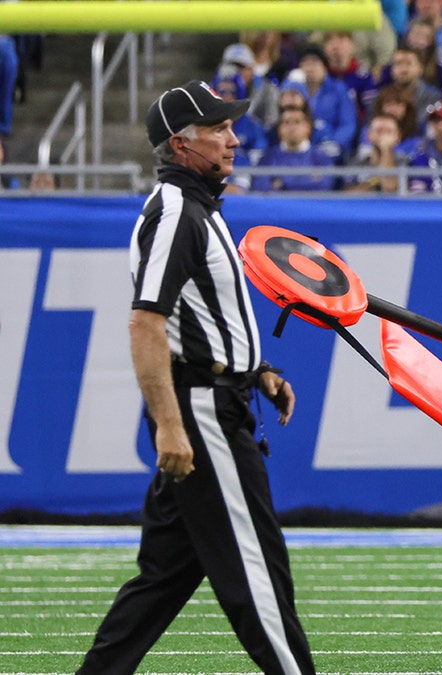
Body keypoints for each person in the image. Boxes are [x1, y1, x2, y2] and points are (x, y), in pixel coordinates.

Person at [76, 79, 314, 675]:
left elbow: (196, 318)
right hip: (204, 414)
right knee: (259, 578)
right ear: (182, 145)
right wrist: (170, 427)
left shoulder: (198, 209)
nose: (233, 139)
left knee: (160, 581)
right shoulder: (177, 212)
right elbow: (145, 323)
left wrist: (256, 369)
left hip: (215, 399)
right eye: (219, 129)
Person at [252, 103, 337, 192]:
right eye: (287, 122)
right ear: (279, 129)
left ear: (308, 127)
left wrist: (282, 184)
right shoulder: (268, 158)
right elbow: (261, 188)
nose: (292, 127)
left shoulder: (321, 158)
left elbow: (323, 187)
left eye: (297, 122)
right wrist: (308, 181)